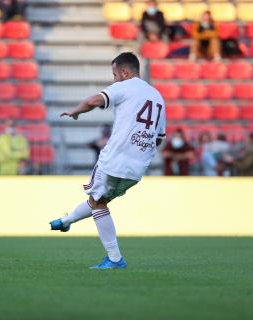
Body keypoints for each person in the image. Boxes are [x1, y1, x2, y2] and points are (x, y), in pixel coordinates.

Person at [50, 52, 166, 269]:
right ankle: (65, 222)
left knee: (98, 202)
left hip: (115, 160)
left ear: (124, 72)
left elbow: (95, 100)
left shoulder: (125, 86)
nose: (114, 79)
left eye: (115, 74)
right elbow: (159, 138)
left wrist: (76, 111)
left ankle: (114, 259)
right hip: (138, 166)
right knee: (99, 200)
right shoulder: (157, 96)